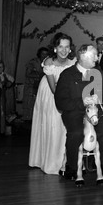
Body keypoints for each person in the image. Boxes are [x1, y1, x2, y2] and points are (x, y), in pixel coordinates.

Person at [55, 44, 103, 181]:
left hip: (95, 112)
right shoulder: (67, 74)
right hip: (74, 112)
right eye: (94, 54)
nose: (97, 57)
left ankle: (100, 163)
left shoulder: (98, 73)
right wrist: (81, 102)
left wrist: (99, 99)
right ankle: (71, 166)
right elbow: (60, 102)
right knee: (76, 133)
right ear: (82, 56)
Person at [28, 33, 76, 175]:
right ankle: (50, 162)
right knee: (54, 125)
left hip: (66, 94)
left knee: (67, 128)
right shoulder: (49, 63)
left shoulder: (73, 62)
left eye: (67, 47)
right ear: (55, 48)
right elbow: (55, 90)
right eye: (60, 46)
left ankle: (66, 161)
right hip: (51, 95)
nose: (64, 50)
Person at [22, 47, 49, 121]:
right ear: (39, 54)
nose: (44, 56)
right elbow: (28, 73)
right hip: (31, 87)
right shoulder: (33, 62)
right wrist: (40, 75)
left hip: (41, 88)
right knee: (29, 105)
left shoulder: (48, 63)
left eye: (46, 54)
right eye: (43, 54)